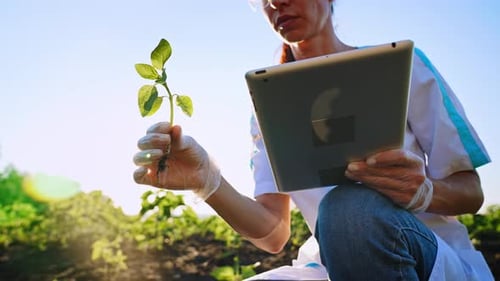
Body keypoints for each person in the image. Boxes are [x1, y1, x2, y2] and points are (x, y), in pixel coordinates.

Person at [133, 0, 494, 280]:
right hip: (330, 265)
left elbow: (471, 191)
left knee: (349, 209)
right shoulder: (270, 106)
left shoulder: (404, 68)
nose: (276, 3)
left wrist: (426, 192)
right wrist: (206, 181)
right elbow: (273, 233)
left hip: (428, 257)